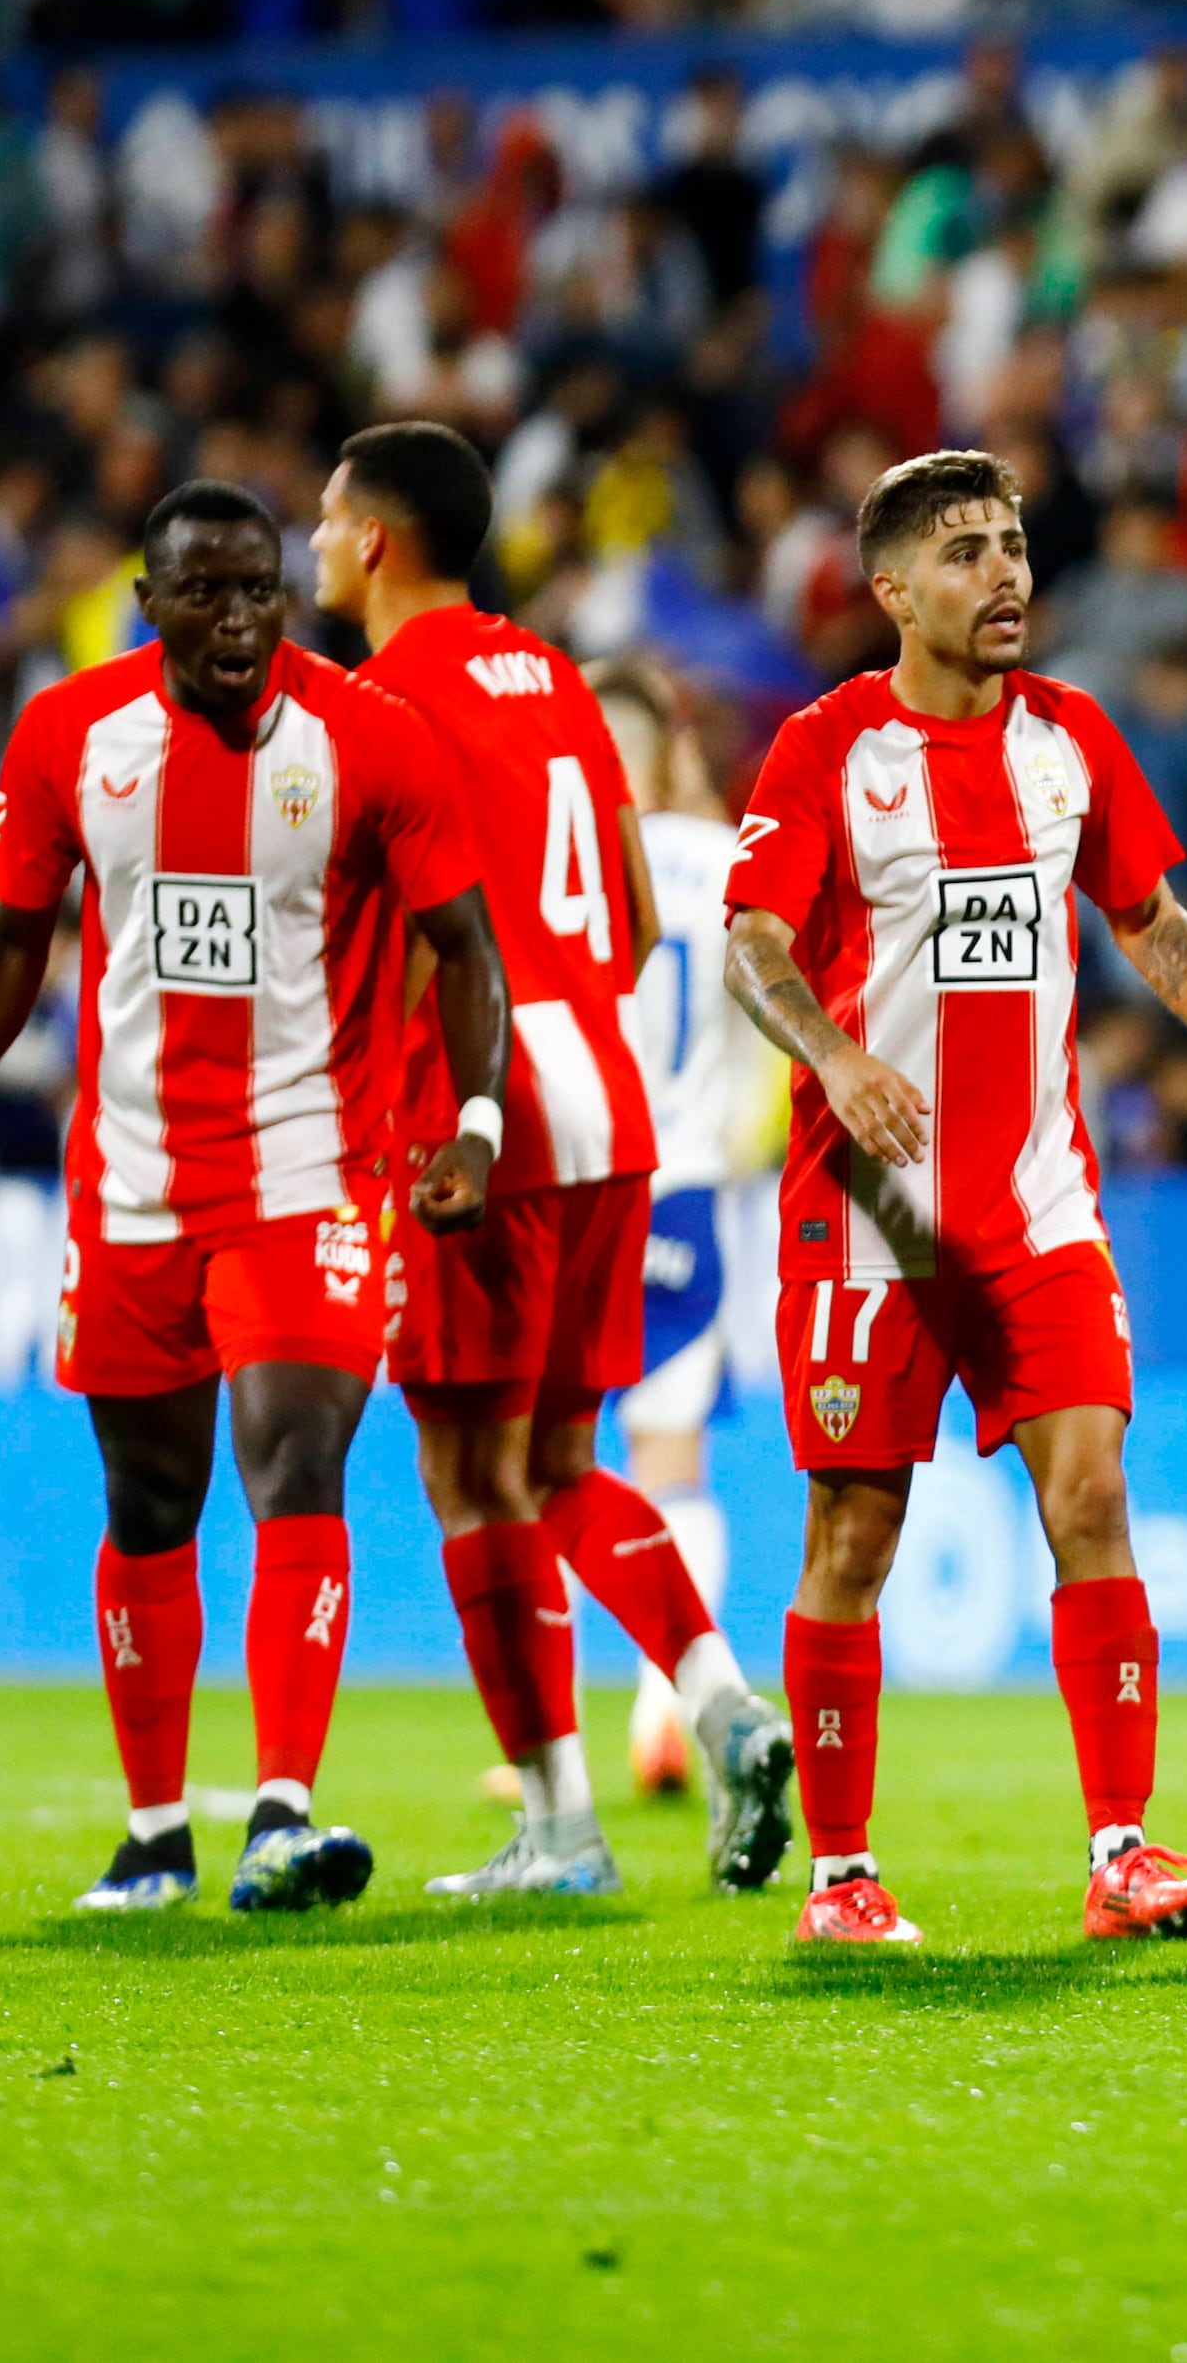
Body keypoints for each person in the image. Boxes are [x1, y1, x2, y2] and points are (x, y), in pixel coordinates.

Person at [722, 448, 1187, 1951]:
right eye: (963, 554)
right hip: (871, 1218)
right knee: (853, 1542)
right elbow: (754, 947)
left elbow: (1145, 916)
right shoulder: (824, 752)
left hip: (1038, 1205)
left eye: (1012, 545)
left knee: (1092, 1495)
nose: (1003, 574)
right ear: (890, 591)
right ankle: (841, 1875)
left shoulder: (1070, 737)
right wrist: (835, 1054)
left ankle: (1124, 1851)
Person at [0, 482, 510, 1915]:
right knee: (150, 1498)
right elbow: (10, 937)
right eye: (204, 594)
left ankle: (282, 1811)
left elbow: (464, 944)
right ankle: (153, 1834)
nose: (237, 620)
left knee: (295, 1455)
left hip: (314, 1170)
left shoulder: (369, 738)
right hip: (136, 1180)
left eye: (261, 592)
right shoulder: (68, 738)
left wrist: (470, 1122)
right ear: (145, 605)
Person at [319, 422, 795, 1900]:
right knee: (560, 1460)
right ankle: (723, 1705)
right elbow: (646, 893)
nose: (318, 543)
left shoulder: (374, 699)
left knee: (470, 1472)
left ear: (379, 541)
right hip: (610, 1098)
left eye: (331, 520)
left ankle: (561, 1826)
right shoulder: (560, 682)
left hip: (484, 1106)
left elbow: (402, 928)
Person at [597, 656, 788, 1805]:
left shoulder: (554, 869)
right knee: (674, 1464)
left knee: (545, 1470)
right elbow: (777, 1022)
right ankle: (665, 1703)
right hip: (685, 1195)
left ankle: (548, 1762)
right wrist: (738, 1140)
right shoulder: (724, 867)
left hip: (573, 1188)